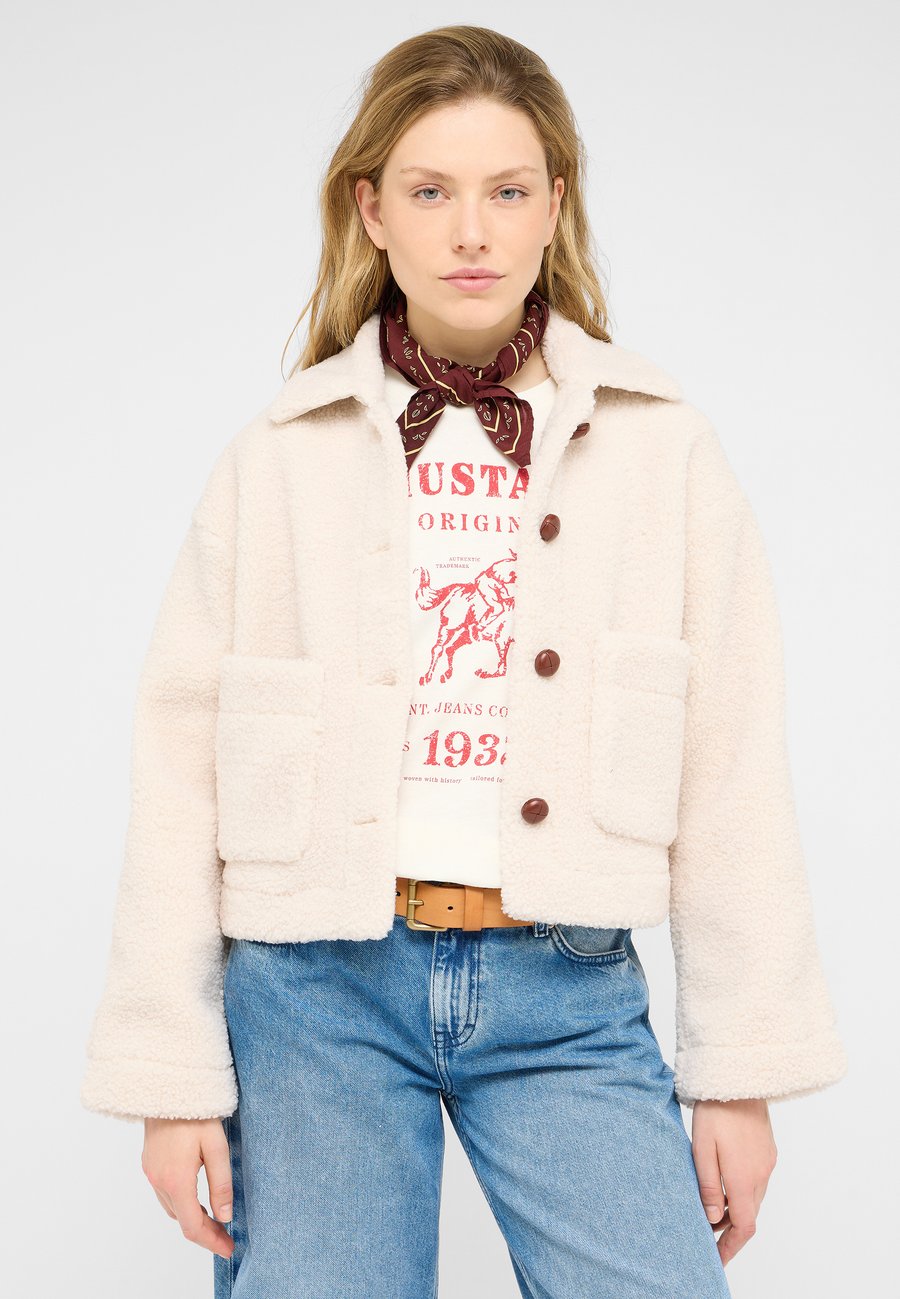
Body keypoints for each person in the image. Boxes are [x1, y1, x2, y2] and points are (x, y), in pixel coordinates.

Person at [80, 24, 848, 1299]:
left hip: (566, 988)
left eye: (507, 190)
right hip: (314, 993)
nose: (472, 231)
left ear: (555, 205)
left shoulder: (660, 449)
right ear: (371, 210)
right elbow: (179, 773)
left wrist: (738, 1072)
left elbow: (730, 765)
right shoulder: (280, 457)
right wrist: (170, 1081)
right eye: (431, 192)